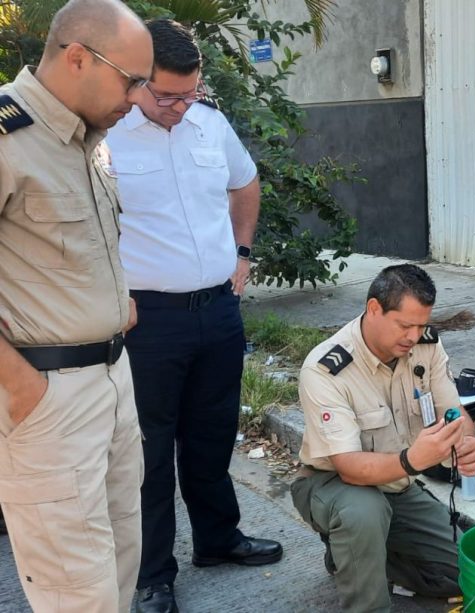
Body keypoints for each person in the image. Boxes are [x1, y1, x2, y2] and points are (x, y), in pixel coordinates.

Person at [104, 19, 281, 613]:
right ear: (135, 82)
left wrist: (243, 252)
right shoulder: (105, 136)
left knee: (210, 437)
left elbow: (246, 181)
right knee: (148, 454)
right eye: (167, 96)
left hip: (218, 311)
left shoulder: (209, 122)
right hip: (145, 321)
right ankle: (152, 574)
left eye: (190, 93)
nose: (181, 106)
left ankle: (218, 538)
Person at [0, 1, 152, 611]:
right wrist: (19, 387)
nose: (138, 98)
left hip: (112, 380)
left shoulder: (88, 139)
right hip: (47, 393)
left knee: (118, 565)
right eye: (132, 79)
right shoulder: (10, 137)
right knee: (76, 593)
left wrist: (114, 305)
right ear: (77, 57)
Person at [290, 264, 475, 613]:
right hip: (331, 484)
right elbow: (348, 467)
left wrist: (467, 440)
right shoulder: (326, 369)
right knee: (363, 512)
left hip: (396, 485)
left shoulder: (426, 346)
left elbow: (453, 411)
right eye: (405, 325)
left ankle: (353, 556)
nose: (413, 336)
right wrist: (413, 460)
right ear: (374, 309)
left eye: (421, 325)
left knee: (465, 573)